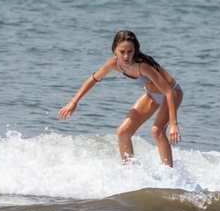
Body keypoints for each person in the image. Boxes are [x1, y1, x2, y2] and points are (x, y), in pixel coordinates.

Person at [58, 30, 185, 166]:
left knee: (157, 130)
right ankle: (130, 170)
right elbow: (94, 78)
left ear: (135, 50)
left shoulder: (143, 66)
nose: (126, 56)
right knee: (123, 132)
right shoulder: (114, 63)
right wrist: (73, 102)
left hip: (172, 92)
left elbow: (168, 92)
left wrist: (173, 124)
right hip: (151, 94)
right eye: (122, 51)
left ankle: (169, 174)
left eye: (130, 51)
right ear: (114, 50)